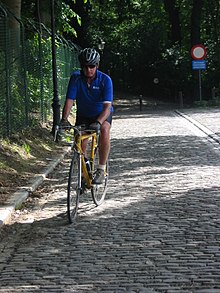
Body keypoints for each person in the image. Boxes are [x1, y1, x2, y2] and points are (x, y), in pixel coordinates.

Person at [60, 47, 114, 184]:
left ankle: (101, 169)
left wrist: (99, 121)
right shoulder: (76, 78)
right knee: (79, 142)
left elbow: (107, 107)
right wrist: (64, 119)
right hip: (83, 114)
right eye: (85, 66)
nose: (88, 70)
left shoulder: (105, 80)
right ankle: (84, 172)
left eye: (91, 66)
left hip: (101, 114)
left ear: (97, 65)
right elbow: (69, 101)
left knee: (105, 130)